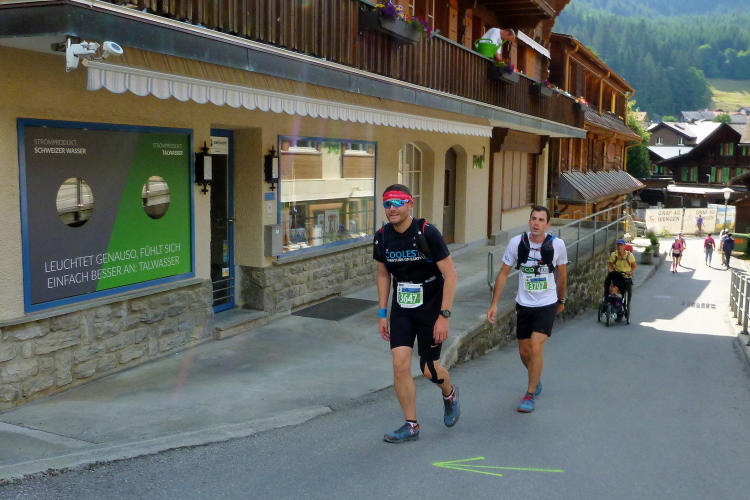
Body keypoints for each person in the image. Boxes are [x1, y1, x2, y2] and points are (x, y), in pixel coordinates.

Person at [374, 184, 459, 443]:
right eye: (387, 204)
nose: (392, 208)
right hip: (403, 306)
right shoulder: (382, 237)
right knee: (399, 364)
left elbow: (450, 275)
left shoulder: (427, 232)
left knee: (428, 369)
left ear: (410, 204)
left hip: (431, 306)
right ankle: (411, 425)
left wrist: (444, 315)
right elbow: (383, 275)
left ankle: (449, 394)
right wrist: (382, 313)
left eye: (398, 203)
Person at [486, 206, 567, 413]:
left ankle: (529, 395)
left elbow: (562, 274)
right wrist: (494, 304)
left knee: (536, 347)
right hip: (524, 304)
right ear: (529, 221)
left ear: (548, 224)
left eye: (541, 220)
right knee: (524, 351)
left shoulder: (557, 245)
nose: (536, 223)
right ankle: (535, 377)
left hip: (546, 303)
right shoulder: (517, 243)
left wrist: (561, 299)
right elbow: (503, 274)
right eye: (533, 219)